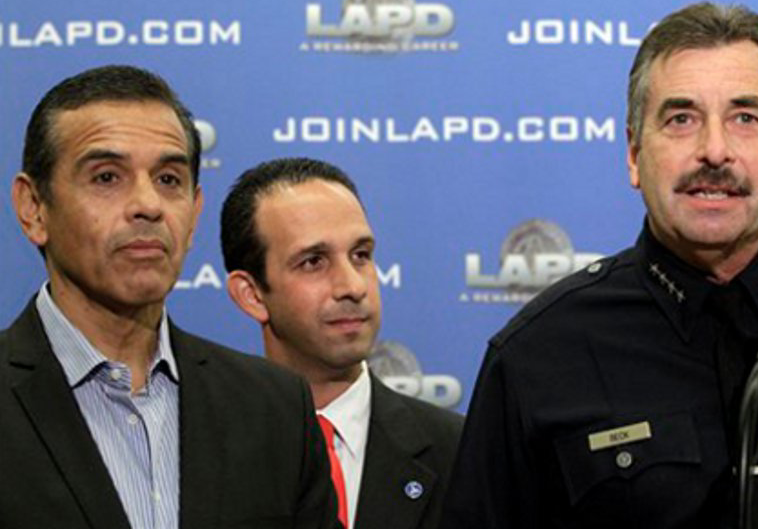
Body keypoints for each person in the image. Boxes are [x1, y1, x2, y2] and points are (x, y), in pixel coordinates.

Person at [439, 3, 758, 529]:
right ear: (635, 153)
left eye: (745, 118)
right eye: (681, 119)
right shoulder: (537, 358)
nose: (715, 151)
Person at [0, 65, 340, 529]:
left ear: (195, 210)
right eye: (106, 177)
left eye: (168, 180)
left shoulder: (275, 408)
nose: (149, 204)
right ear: (33, 208)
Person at [220, 157, 464, 529]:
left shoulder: (461, 452)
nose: (352, 286)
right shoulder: (201, 453)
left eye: (361, 255)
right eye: (314, 261)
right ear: (252, 295)